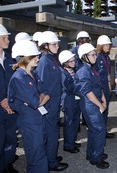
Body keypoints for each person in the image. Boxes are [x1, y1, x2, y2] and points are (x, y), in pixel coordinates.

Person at [8, 40, 49, 173]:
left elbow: (45, 91)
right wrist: (42, 97)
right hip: (29, 121)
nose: (38, 58)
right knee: (36, 155)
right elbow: (37, 101)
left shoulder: (33, 73)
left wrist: (42, 96)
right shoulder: (19, 78)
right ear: (25, 58)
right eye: (34, 56)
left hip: (37, 118)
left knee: (40, 150)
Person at [36, 31, 68, 171]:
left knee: (53, 133)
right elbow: (42, 85)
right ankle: (51, 163)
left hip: (54, 103)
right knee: (51, 134)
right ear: (45, 46)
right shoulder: (44, 61)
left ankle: (51, 157)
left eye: (57, 43)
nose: (57, 46)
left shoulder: (51, 59)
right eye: (54, 44)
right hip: (49, 105)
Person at [74, 43, 109, 169]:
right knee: (99, 130)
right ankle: (96, 158)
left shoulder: (92, 69)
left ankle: (92, 154)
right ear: (84, 57)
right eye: (92, 55)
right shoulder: (83, 71)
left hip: (96, 103)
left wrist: (104, 100)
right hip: (90, 106)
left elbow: (99, 87)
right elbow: (88, 92)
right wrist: (101, 105)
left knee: (94, 130)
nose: (95, 56)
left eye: (95, 54)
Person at [0, 24, 18, 173]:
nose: (8, 40)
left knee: (11, 138)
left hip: (11, 107)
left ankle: (8, 164)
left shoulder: (11, 60)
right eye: (4, 38)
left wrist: (9, 99)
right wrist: (2, 101)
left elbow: (16, 83)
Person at [58, 50, 81, 154]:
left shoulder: (72, 70)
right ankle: (68, 145)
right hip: (68, 99)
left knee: (75, 121)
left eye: (74, 60)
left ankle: (72, 141)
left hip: (75, 99)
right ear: (65, 63)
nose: (73, 62)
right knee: (70, 122)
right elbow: (69, 88)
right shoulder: (63, 73)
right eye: (71, 61)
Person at [95, 35, 115, 139]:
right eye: (106, 44)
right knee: (100, 110)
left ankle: (103, 130)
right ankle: (99, 132)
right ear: (100, 45)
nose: (108, 46)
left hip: (106, 86)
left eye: (109, 44)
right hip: (99, 88)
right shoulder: (97, 57)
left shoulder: (106, 57)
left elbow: (107, 73)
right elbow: (96, 75)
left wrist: (109, 84)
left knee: (105, 109)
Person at [70, 31, 91, 126]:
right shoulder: (72, 52)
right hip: (76, 82)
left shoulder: (89, 51)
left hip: (85, 80)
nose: (85, 41)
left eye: (86, 40)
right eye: (83, 40)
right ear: (78, 41)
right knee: (77, 104)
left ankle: (86, 120)